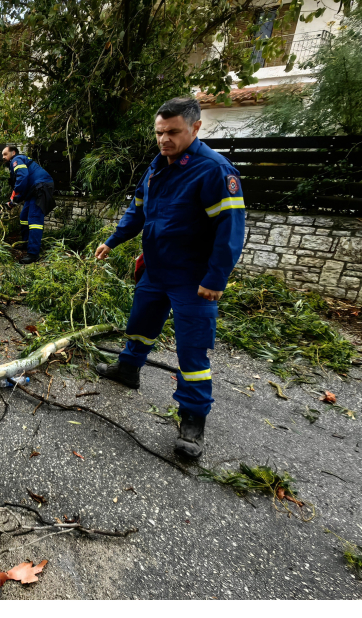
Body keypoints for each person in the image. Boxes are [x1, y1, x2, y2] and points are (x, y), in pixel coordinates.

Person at [93, 97, 245, 458]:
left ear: (195, 128)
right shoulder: (158, 166)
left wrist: (216, 279)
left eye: (173, 132)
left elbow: (231, 230)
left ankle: (192, 420)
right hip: (156, 268)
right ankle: (128, 369)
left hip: (193, 278)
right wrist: (112, 241)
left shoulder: (213, 171)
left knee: (192, 349)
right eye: (160, 133)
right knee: (140, 323)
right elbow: (139, 210)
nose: (164, 139)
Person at [2, 146, 54, 264]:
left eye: (5, 154)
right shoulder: (18, 162)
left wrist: (14, 199)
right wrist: (14, 201)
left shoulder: (17, 159)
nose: (3, 157)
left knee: (34, 221)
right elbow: (23, 187)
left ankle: (33, 254)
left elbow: (22, 177)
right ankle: (26, 243)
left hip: (41, 188)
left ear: (13, 153)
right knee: (24, 217)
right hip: (33, 190)